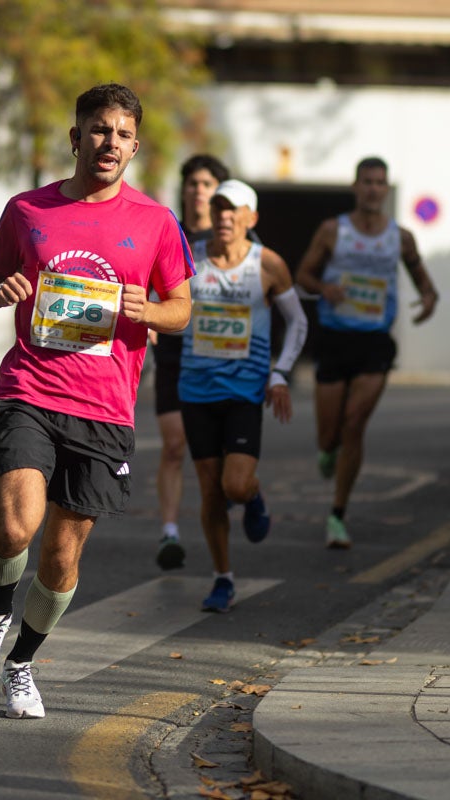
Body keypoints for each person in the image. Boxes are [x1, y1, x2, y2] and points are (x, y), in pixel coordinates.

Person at [0, 83, 194, 719]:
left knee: (62, 557)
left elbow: (182, 306)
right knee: (16, 525)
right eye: (97, 129)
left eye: (121, 133)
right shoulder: (26, 210)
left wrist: (154, 310)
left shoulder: (155, 222)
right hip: (29, 389)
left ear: (135, 147)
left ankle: (23, 661)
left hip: (105, 408)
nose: (108, 142)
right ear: (75, 138)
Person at [294, 156, 439, 549]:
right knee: (329, 436)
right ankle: (329, 451)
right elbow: (303, 275)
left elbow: (426, 284)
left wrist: (427, 300)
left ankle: (338, 515)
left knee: (355, 423)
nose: (374, 189)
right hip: (335, 338)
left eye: (380, 182)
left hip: (376, 340)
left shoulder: (401, 238)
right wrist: (325, 289)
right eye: (367, 182)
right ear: (356, 187)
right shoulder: (332, 231)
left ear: (386, 189)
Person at [178, 179, 308, 613]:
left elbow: (298, 322)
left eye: (234, 210)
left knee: (234, 484)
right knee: (211, 492)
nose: (224, 217)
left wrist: (280, 374)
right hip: (195, 390)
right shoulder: (190, 258)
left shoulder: (268, 265)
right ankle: (223, 578)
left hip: (245, 392)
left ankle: (253, 496)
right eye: (218, 208)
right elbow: (169, 305)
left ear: (251, 218)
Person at [151, 154, 231, 572]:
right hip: (174, 349)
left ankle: (227, 504)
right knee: (175, 444)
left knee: (214, 453)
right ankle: (169, 532)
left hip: (218, 351)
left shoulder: (230, 238)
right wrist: (147, 318)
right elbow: (143, 278)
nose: (198, 190)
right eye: (192, 183)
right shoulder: (166, 231)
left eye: (206, 183)